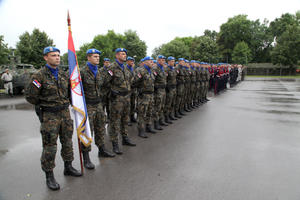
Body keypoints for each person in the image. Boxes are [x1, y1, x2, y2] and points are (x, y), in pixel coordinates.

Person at [25, 47, 81, 191]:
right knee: (50, 147)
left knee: (67, 142)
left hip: (65, 113)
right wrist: (45, 105)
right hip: (50, 116)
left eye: (58, 55)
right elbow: (31, 97)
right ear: (46, 58)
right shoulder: (39, 76)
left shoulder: (63, 74)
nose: (57, 58)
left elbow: (70, 92)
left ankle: (68, 166)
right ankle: (49, 175)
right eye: (53, 55)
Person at [80, 49, 115, 170]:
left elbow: (105, 85)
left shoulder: (100, 72)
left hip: (99, 104)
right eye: (95, 56)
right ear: (88, 58)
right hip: (88, 106)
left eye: (98, 56)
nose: (97, 58)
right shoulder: (82, 72)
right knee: (88, 131)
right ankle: (86, 157)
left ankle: (102, 149)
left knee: (100, 128)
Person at [104, 48, 136, 155]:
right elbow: (104, 83)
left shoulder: (126, 69)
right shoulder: (111, 68)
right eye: (122, 54)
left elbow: (130, 81)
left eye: (125, 54)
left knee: (125, 120)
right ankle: (114, 143)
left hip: (126, 98)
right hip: (116, 99)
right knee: (114, 122)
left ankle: (125, 138)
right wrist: (110, 93)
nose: (124, 55)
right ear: (117, 55)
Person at [135, 56, 156, 138]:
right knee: (142, 113)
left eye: (152, 61)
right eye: (150, 61)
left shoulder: (151, 71)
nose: (152, 62)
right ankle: (141, 130)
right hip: (143, 95)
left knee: (149, 112)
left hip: (151, 95)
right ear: (145, 62)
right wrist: (139, 90)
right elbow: (134, 82)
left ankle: (148, 127)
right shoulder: (140, 70)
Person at [152, 55, 167, 130]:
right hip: (158, 91)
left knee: (162, 106)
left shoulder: (163, 68)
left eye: (164, 60)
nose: (163, 61)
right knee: (157, 107)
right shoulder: (155, 69)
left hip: (163, 90)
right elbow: (152, 80)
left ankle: (161, 120)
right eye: (161, 60)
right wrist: (156, 87)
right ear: (158, 60)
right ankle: (156, 122)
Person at [126, 56, 137, 125]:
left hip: (133, 89)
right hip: (128, 90)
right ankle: (127, 119)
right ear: (127, 61)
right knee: (128, 104)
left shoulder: (133, 69)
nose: (132, 62)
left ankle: (132, 116)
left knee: (133, 104)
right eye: (131, 61)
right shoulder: (125, 69)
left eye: (133, 61)